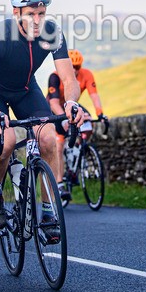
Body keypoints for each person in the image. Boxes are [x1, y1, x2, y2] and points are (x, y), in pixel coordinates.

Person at [0, 0, 86, 241]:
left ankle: (47, 212)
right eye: (30, 14)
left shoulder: (51, 34)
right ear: (16, 13)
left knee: (47, 138)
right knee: (7, 140)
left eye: (41, 13)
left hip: (25, 89)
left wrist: (71, 103)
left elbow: (68, 79)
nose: (37, 20)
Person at [46, 49, 107, 200]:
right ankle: (59, 183)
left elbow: (94, 95)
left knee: (87, 123)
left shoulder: (87, 75)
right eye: (71, 66)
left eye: (77, 67)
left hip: (71, 106)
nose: (74, 70)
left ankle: (76, 158)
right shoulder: (54, 77)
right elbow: (53, 103)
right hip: (55, 108)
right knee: (59, 144)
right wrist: (64, 120)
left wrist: (100, 114)